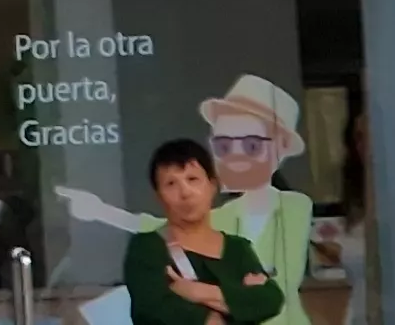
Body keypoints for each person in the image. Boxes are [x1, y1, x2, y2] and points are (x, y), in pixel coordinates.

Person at [61, 73, 317, 287]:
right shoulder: (225, 216)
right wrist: (100, 210)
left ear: (282, 147)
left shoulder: (295, 207)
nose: (236, 158)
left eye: (251, 145)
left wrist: (199, 292)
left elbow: (276, 287)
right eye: (224, 146)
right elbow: (154, 225)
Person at [117, 139, 285, 325]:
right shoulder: (147, 247)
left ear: (212, 186)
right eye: (171, 184)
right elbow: (154, 308)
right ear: (159, 196)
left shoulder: (238, 248)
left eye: (193, 179)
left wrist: (196, 292)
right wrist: (231, 307)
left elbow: (270, 300)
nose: (185, 193)